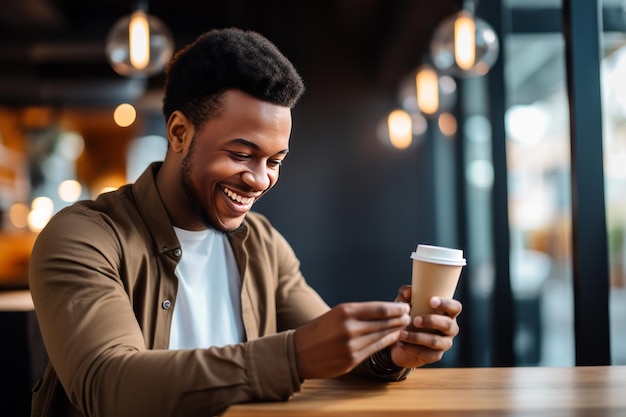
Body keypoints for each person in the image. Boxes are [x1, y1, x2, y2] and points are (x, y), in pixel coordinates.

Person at [28, 27, 462, 417]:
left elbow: (325, 347)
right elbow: (107, 387)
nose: (260, 179)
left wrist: (389, 352)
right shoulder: (83, 237)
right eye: (240, 155)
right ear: (179, 133)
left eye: (275, 161)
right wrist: (291, 357)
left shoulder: (263, 244)